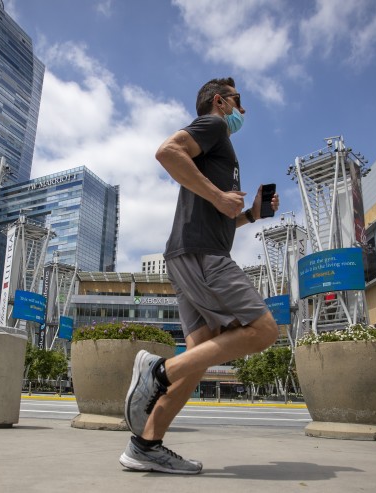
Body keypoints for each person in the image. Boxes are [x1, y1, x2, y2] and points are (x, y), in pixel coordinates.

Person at [120, 77, 280, 474]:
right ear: (221, 102)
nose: (243, 111)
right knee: (264, 331)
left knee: (198, 355)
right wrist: (219, 195)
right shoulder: (215, 126)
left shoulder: (220, 144)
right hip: (203, 255)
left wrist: (250, 214)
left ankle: (146, 445)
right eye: (239, 102)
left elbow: (222, 216)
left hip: (191, 253)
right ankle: (157, 371)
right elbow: (167, 152)